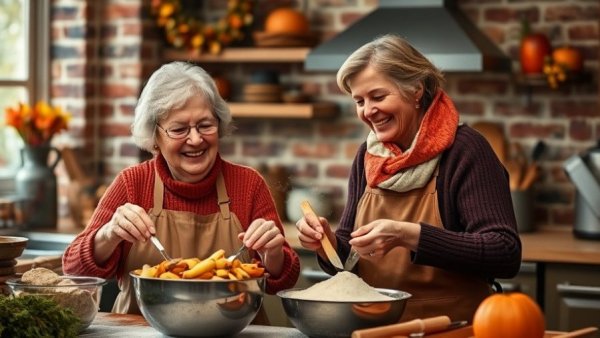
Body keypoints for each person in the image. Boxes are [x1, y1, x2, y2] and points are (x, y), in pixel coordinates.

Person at [295, 34, 521, 322]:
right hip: (378, 326)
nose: (368, 111)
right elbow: (349, 265)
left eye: (378, 96)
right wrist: (327, 245)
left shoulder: (465, 150)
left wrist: (408, 235)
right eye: (359, 101)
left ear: (415, 90)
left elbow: (504, 252)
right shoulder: (369, 155)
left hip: (453, 327)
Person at [62, 61, 300, 320]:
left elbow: (284, 281)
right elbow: (75, 272)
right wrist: (108, 235)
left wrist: (272, 254)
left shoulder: (248, 183)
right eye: (179, 129)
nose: (196, 139)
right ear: (155, 136)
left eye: (205, 125)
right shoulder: (132, 183)